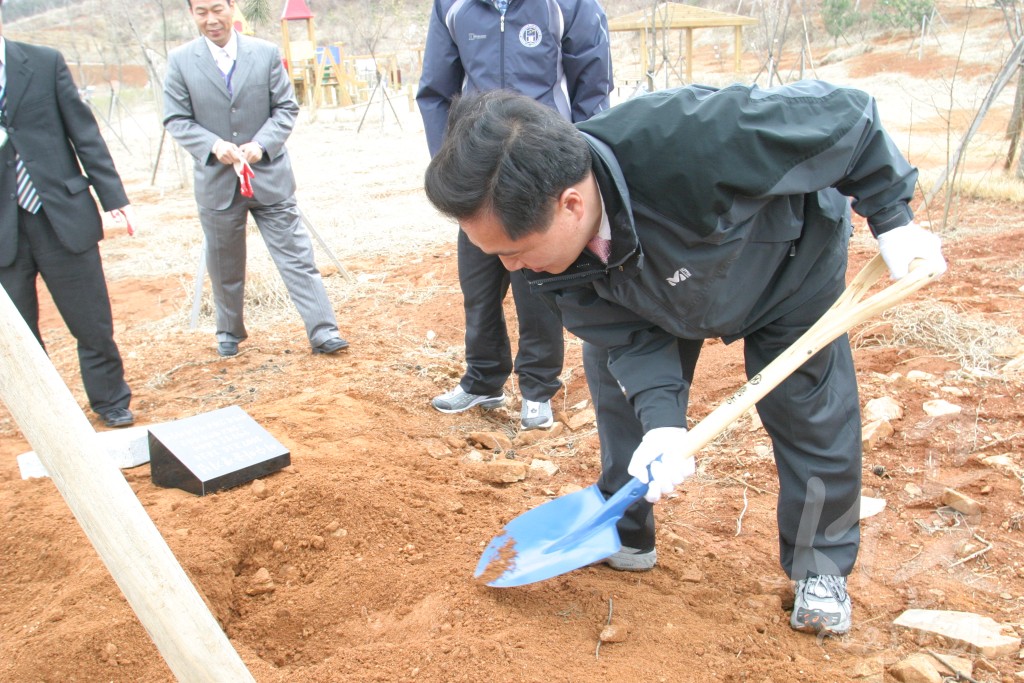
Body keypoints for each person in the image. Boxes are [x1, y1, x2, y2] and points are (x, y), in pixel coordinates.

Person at [423, 82, 947, 635]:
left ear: (570, 205)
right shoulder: (548, 262)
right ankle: (625, 528)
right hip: (648, 297)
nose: (510, 269)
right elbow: (626, 339)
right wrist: (665, 426)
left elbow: (849, 118)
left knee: (810, 414)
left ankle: (821, 570)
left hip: (786, 266)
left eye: (512, 251)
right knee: (624, 400)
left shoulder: (694, 137)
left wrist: (892, 220)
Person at [416, 0, 613, 430]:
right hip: (477, 182)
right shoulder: (452, 7)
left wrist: (577, 171)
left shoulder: (566, 5)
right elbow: (435, 92)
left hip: (539, 178)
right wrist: (454, 170)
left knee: (539, 282)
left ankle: (538, 388)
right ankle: (483, 379)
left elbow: (592, 90)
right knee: (479, 285)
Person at [163, 0, 348, 358]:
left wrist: (261, 145)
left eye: (217, 8)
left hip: (269, 177)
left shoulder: (264, 54)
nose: (211, 19)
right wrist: (214, 145)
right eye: (201, 11)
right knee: (224, 262)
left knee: (296, 256)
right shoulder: (181, 61)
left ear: (232, 7)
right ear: (191, 14)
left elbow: (285, 108)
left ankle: (324, 331)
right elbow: (176, 118)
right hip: (217, 183)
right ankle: (229, 332)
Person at [0, 1, 137, 429]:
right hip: (4, 227)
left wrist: (112, 195)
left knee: (90, 318)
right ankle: (42, 415)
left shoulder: (42, 63)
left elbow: (83, 131)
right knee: (17, 334)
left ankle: (110, 401)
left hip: (62, 214)